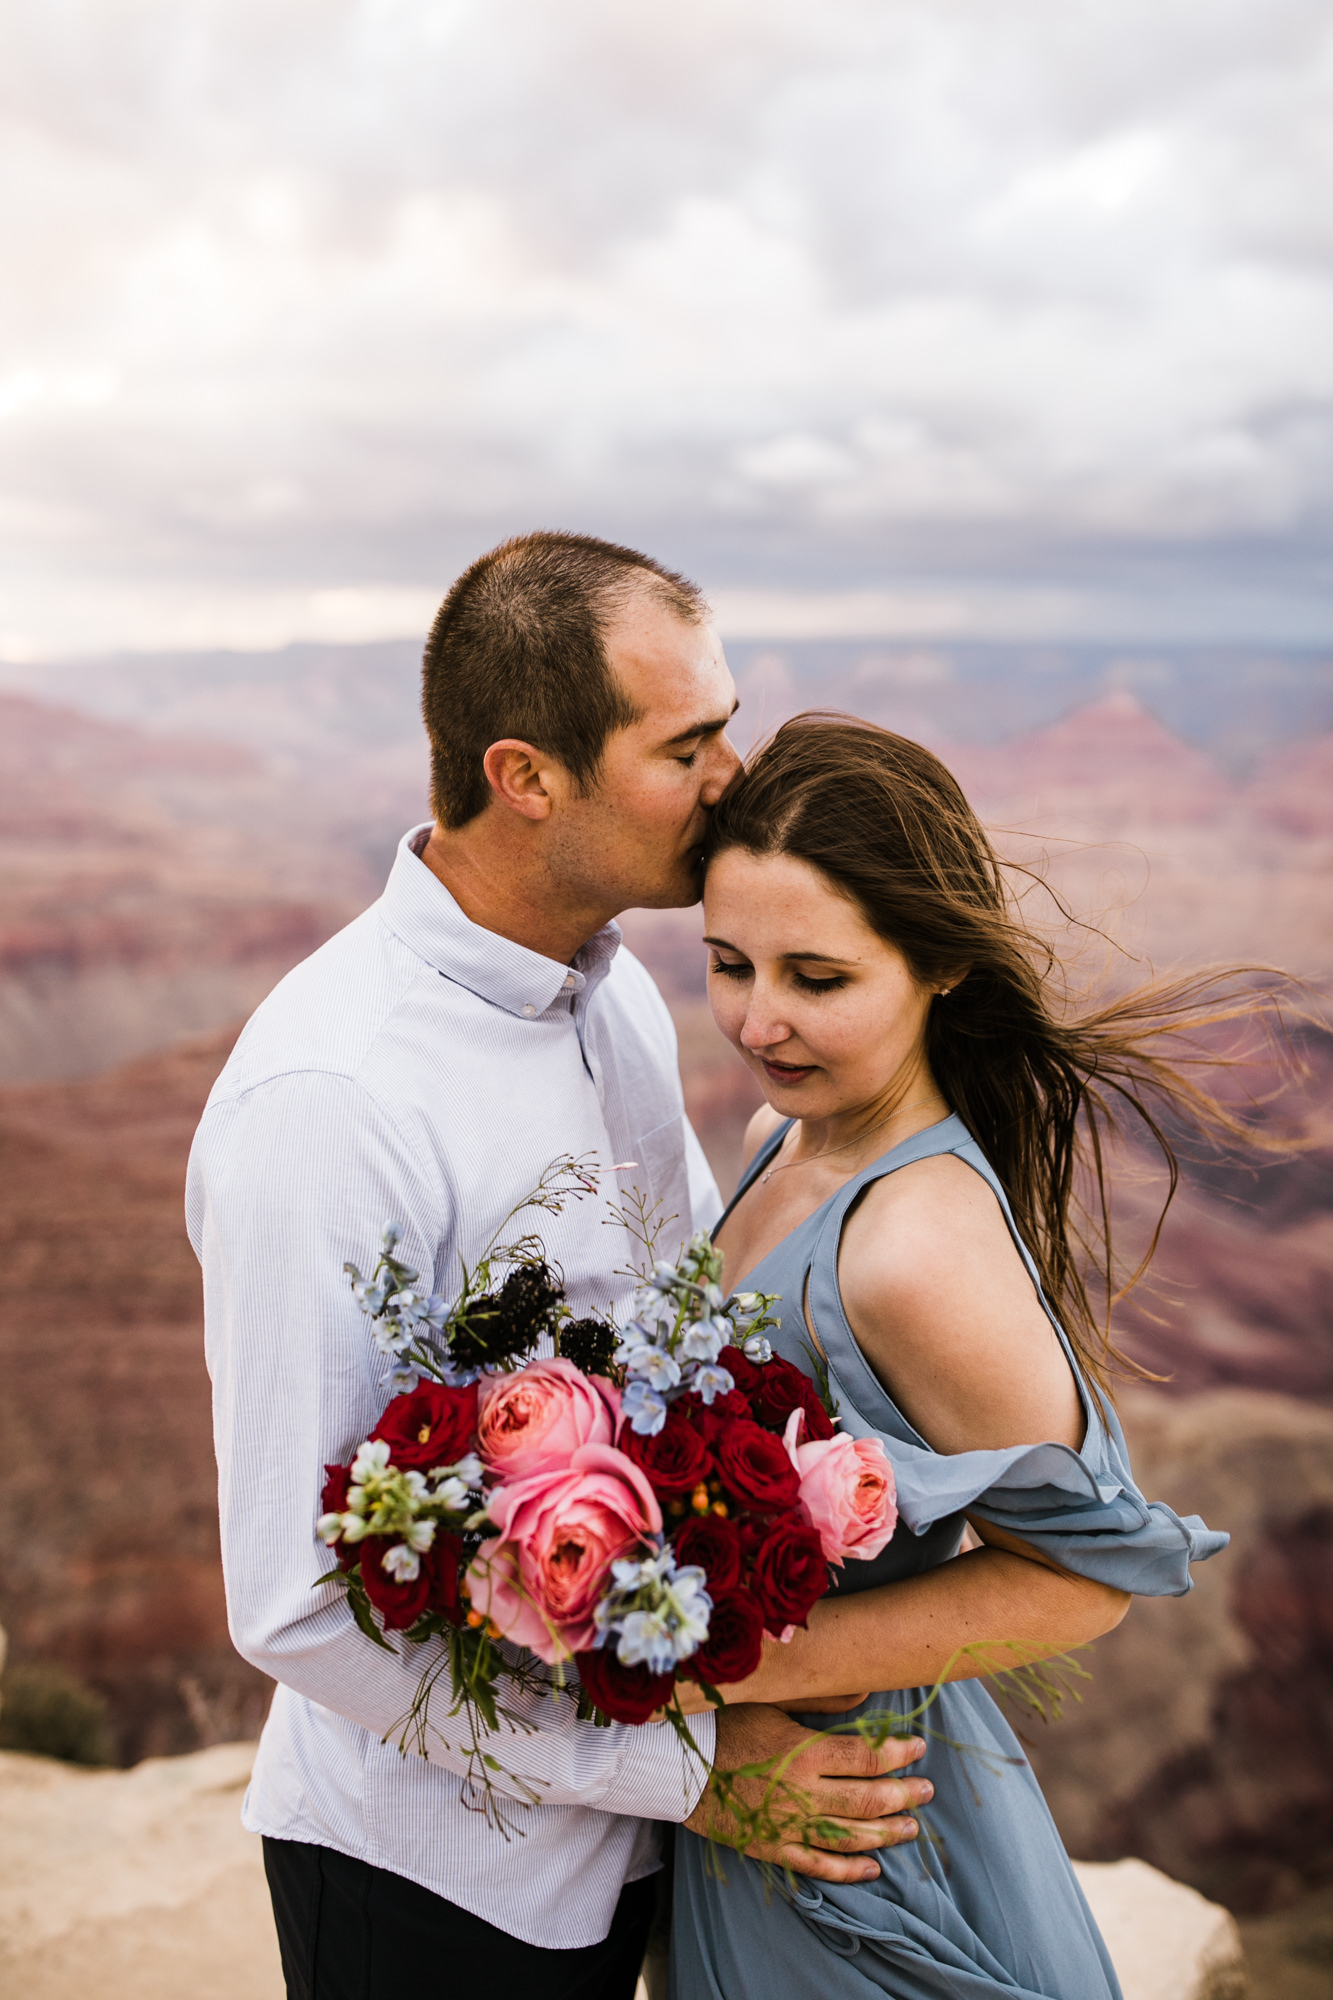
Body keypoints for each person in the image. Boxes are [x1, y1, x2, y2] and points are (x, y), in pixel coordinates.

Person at [186, 536, 932, 2000]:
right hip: (432, 1883)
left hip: (633, 1859)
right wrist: (687, 1770)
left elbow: (682, 1347)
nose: (736, 774)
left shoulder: (617, 998)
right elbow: (290, 1606)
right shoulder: (333, 1104)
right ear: (527, 776)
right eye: (688, 744)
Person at [662, 713, 1267, 1999]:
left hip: (863, 1837)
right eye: (727, 963)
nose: (758, 1020)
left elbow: (1082, 1578)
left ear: (937, 963)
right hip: (763, 1802)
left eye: (816, 978)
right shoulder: (793, 1133)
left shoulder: (909, 1244)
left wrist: (737, 1666)